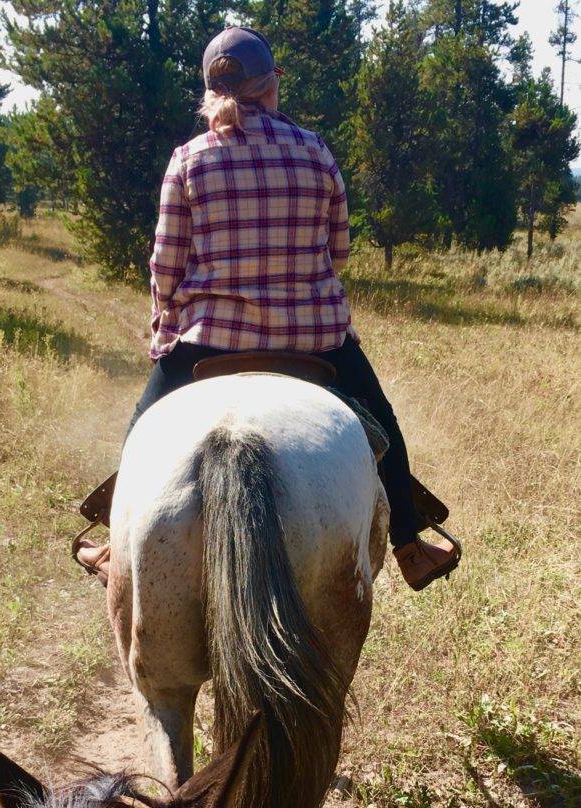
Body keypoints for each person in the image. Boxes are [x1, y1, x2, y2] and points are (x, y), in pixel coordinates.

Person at [76, 26, 460, 591]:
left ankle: (117, 543)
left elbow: (165, 266)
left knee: (141, 433)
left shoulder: (187, 160)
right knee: (385, 425)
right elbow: (340, 252)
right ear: (273, 84)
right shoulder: (315, 151)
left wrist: (165, 328)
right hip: (316, 342)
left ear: (210, 92)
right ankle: (407, 541)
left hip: (209, 341)